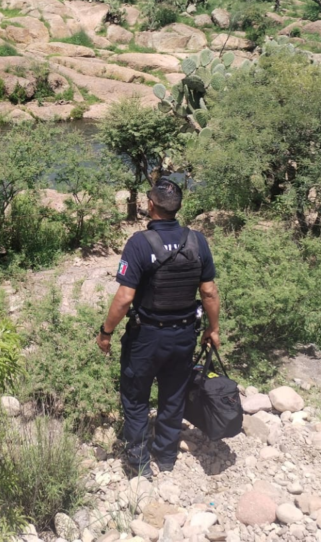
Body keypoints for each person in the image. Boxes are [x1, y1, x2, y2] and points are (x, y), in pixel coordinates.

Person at [96, 179, 220, 477]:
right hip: (184, 335)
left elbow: (124, 298)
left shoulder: (139, 243)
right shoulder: (197, 241)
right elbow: (209, 292)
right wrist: (213, 329)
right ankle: (166, 457)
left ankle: (139, 463)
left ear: (150, 205)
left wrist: (106, 332)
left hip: (146, 337)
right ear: (178, 207)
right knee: (173, 395)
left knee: (136, 397)